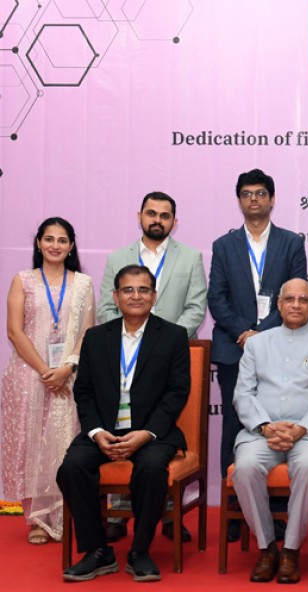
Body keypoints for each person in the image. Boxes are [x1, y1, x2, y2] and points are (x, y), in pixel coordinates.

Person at [56, 265, 190, 582]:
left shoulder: (173, 336)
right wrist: (96, 432)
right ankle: (98, 550)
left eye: (143, 290)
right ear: (116, 297)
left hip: (152, 432)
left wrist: (146, 433)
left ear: (154, 296)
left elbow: (177, 392)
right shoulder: (95, 337)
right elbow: (84, 392)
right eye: (128, 290)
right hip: (104, 430)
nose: (136, 296)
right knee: (72, 467)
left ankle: (139, 551)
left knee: (152, 467)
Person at [98, 191, 207, 543]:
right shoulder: (118, 258)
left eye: (164, 215)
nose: (157, 220)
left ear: (175, 221)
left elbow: (195, 308)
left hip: (170, 359)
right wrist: (132, 336)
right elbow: (105, 309)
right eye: (151, 213)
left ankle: (171, 512)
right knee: (123, 424)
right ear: (139, 216)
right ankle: (120, 510)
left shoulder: (191, 258)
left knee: (163, 429)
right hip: (123, 356)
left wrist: (163, 343)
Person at [208, 168, 307, 541]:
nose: (254, 199)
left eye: (261, 193)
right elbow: (216, 297)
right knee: (235, 427)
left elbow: (296, 292)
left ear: (272, 199)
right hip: (234, 349)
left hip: (280, 348)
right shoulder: (224, 245)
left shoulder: (291, 243)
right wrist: (243, 333)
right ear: (239, 200)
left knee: (277, 423)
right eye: (247, 193)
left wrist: (262, 334)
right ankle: (235, 512)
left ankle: (277, 511)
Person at [231, 279, 308, 584]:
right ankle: (267, 548)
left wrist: (300, 428)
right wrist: (265, 426)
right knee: (245, 467)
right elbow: (243, 394)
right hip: (262, 432)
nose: (296, 305)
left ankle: (291, 550)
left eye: (303, 300)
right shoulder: (256, 344)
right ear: (279, 304)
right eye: (290, 299)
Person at [1, 217, 94, 545]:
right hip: (29, 375)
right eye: (49, 239)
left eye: (62, 240)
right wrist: (44, 370)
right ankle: (38, 520)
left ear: (71, 246)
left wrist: (67, 368)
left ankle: (65, 515)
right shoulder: (23, 280)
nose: (55, 245)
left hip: (69, 376)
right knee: (32, 446)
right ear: (39, 243)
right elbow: (14, 331)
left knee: (64, 444)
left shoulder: (82, 283)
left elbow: (87, 332)